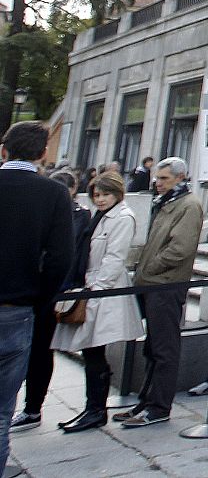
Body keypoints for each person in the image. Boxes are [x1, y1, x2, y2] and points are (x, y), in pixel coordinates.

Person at [2, 124, 77, 469]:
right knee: (3, 411)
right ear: (43, 154)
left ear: (4, 151)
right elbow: (62, 257)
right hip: (18, 307)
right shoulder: (53, 194)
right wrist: (39, 296)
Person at [116, 157, 202, 428]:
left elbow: (181, 247)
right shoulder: (166, 203)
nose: (158, 183)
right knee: (153, 347)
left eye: (164, 178)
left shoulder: (188, 205)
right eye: (157, 178)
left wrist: (152, 266)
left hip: (165, 284)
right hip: (152, 282)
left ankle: (159, 406)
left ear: (180, 177)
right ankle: (147, 400)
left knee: (164, 347)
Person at [53, 172, 142, 433]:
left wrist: (97, 289)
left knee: (94, 350)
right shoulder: (101, 216)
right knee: (91, 350)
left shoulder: (122, 217)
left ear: (117, 194)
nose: (100, 200)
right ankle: (93, 407)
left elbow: (115, 257)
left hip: (102, 290)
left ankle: (96, 409)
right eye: (97, 195)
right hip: (90, 285)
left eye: (105, 194)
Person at [13, 169, 89, 434]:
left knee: (41, 352)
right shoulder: (39, 208)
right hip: (30, 288)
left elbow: (71, 254)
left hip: (53, 290)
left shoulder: (81, 215)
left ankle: (33, 406)